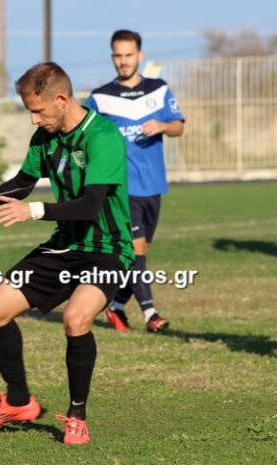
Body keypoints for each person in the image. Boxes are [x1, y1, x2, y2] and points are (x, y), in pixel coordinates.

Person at [0, 62, 133, 444]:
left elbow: (91, 204)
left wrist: (35, 211)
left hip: (107, 249)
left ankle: (76, 416)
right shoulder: (45, 137)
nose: (33, 119)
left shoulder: (103, 136)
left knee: (76, 319)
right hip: (64, 245)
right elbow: (24, 183)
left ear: (61, 99)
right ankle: (18, 401)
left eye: (38, 109)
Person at [85, 29, 185, 333]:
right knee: (136, 249)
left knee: (137, 255)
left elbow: (179, 126)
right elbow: (85, 137)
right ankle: (151, 313)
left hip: (153, 184)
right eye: (117, 55)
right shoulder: (100, 98)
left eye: (128, 55)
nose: (123, 61)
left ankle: (115, 306)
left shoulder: (159, 89)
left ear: (139, 56)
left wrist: (163, 126)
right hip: (120, 189)